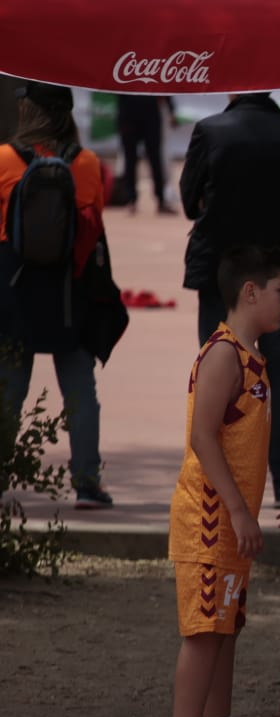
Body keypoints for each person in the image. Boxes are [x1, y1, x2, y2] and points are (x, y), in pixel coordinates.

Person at [150, 246, 280, 717]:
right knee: (203, 634)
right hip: (209, 522)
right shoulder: (223, 355)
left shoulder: (251, 355)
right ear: (250, 291)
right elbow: (202, 436)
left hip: (230, 525)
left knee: (224, 630)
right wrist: (236, 510)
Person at [180, 92, 280, 507]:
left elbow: (188, 200)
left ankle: (220, 486)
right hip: (276, 272)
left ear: (234, 91)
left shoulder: (211, 130)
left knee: (217, 369)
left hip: (220, 271)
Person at [0, 81, 114, 509]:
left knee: (8, 393)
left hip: (13, 290)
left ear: (30, 112)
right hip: (72, 292)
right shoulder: (86, 164)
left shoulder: (4, 160)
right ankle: (87, 485)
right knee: (80, 391)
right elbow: (94, 228)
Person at [116, 94, 174, 214]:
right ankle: (131, 199)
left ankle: (161, 200)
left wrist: (171, 109)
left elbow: (165, 87)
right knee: (130, 159)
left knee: (155, 159)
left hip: (150, 113)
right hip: (128, 113)